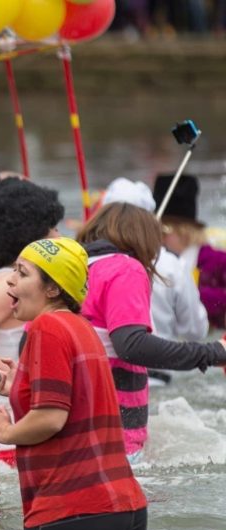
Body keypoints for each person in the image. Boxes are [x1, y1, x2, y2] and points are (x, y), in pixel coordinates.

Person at [0, 238, 148, 530]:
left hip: (73, 509)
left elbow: (52, 417)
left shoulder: (46, 326)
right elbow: (78, 401)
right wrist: (18, 388)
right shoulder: (80, 326)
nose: (10, 279)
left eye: (23, 273)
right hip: (127, 508)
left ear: (53, 289)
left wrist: (5, 432)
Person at [77, 203, 226, 461]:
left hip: (75, 427)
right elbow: (132, 345)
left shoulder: (75, 267)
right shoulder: (126, 268)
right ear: (145, 239)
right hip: (114, 434)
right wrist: (213, 353)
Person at [101, 177, 208, 387]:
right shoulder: (171, 265)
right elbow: (196, 330)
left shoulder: (85, 262)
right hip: (158, 384)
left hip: (103, 386)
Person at [0, 179, 64, 407]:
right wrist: (7, 375)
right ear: (32, 234)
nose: (59, 236)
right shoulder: (8, 284)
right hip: (4, 405)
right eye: (52, 228)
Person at [155, 173, 226, 329]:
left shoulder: (218, 260)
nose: (159, 238)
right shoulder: (155, 261)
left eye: (164, 231)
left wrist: (190, 294)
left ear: (184, 231)